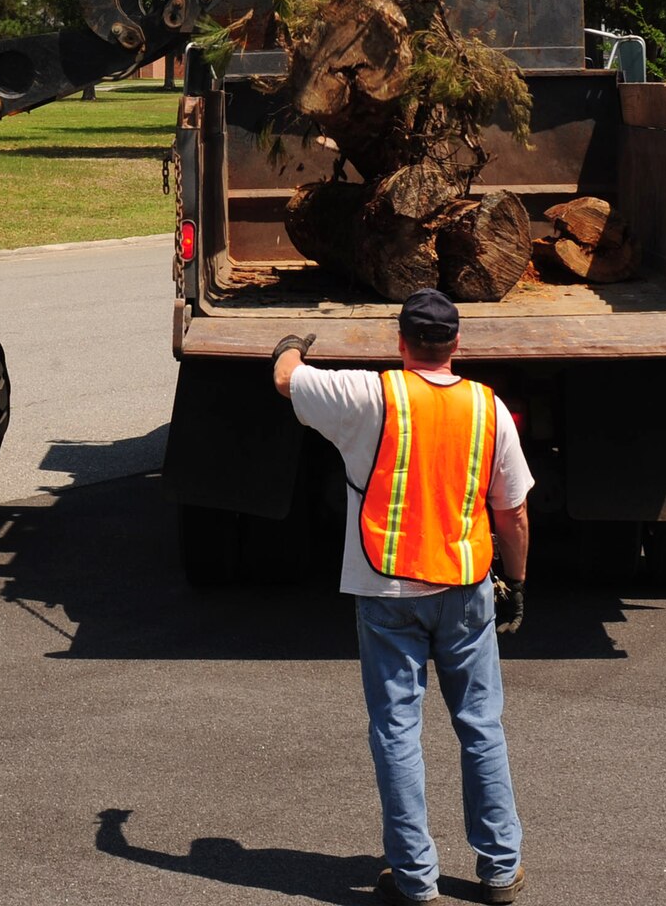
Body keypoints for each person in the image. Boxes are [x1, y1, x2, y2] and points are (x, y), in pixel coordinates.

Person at [272, 289, 531, 905]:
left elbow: (286, 380)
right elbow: (513, 511)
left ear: (401, 343)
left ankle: (415, 879)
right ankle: (500, 870)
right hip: (466, 588)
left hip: (385, 587)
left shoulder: (370, 396)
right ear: (457, 345)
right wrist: (516, 586)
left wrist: (293, 344)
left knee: (396, 730)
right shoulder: (487, 408)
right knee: (481, 726)